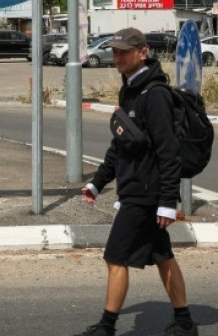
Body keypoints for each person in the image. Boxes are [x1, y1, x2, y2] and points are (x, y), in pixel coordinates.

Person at [75, 28, 198, 336]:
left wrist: (168, 202)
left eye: (124, 52)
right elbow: (121, 144)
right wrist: (97, 182)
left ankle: (106, 327)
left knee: (115, 257)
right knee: (162, 255)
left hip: (145, 194)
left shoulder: (154, 95)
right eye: (115, 51)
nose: (117, 57)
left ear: (142, 52)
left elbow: (169, 152)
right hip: (136, 188)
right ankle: (184, 323)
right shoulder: (129, 89)